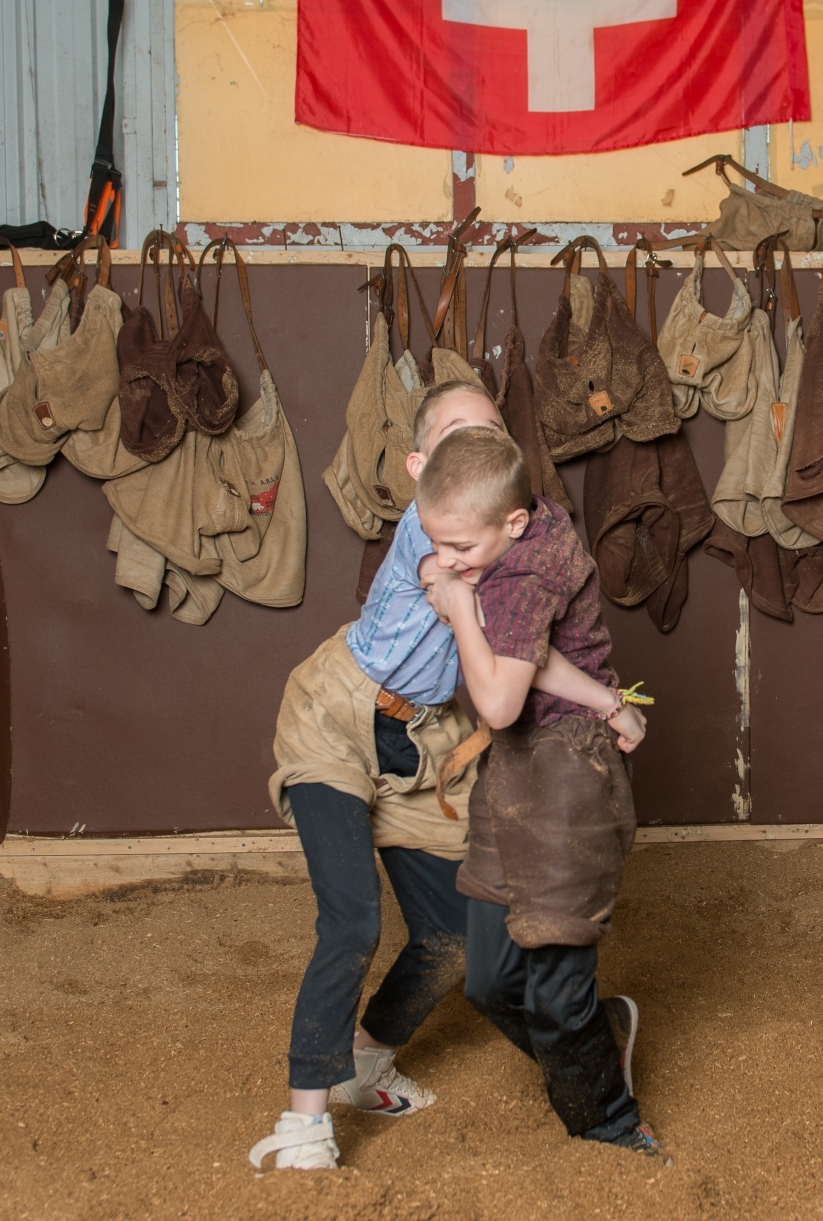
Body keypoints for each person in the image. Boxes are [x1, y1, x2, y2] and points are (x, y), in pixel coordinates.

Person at [249, 382, 619, 1173]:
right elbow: (488, 643)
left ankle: (368, 1058)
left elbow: (525, 654)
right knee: (351, 920)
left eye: (487, 443)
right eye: (452, 446)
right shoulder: (439, 533)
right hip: (338, 719)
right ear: (420, 469)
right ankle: (305, 1121)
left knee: (454, 934)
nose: (467, 463)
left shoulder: (497, 541)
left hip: (426, 748)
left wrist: (609, 700)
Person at [418, 426, 659, 1153]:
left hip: (565, 774)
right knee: (488, 984)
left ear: (514, 522)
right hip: (512, 766)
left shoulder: (521, 577)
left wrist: (458, 605)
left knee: (555, 992)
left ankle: (614, 1125)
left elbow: (497, 701)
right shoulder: (520, 529)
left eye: (462, 548)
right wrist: (611, 700)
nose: (448, 560)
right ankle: (600, 1034)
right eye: (440, 543)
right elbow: (535, 658)